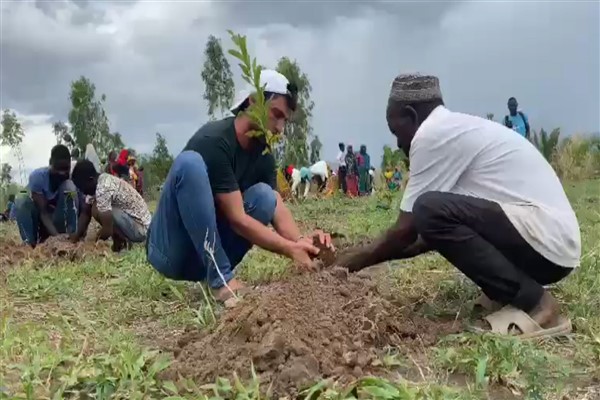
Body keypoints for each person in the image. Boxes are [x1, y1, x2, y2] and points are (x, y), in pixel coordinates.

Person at [336, 74, 579, 338]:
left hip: (547, 241)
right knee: (429, 214)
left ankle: (537, 305)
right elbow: (424, 236)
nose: (398, 143)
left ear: (411, 115)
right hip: (549, 244)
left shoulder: (432, 134)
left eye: (396, 131)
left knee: (427, 209)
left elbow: (406, 230)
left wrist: (345, 266)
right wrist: (360, 256)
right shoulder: (453, 130)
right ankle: (509, 293)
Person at [146, 69, 332, 303]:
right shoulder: (215, 141)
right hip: (170, 251)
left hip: (199, 260)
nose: (280, 128)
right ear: (253, 102)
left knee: (265, 196)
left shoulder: (263, 154)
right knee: (190, 164)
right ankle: (221, 280)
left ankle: (215, 273)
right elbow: (237, 218)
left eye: (285, 120)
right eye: (276, 115)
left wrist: (301, 242)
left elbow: (276, 205)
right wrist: (288, 249)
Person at [70, 160, 151, 252]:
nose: (83, 192)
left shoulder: (103, 188)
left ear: (91, 179)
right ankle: (120, 241)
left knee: (97, 209)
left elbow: (107, 230)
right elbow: (85, 213)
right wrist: (74, 238)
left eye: (82, 188)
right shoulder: (100, 181)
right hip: (135, 223)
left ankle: (122, 242)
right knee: (95, 207)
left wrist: (91, 244)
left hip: (140, 229)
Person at [15, 145, 80, 246]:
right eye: (58, 168)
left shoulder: (73, 178)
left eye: (65, 168)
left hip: (60, 223)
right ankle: (29, 242)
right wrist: (56, 238)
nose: (62, 173)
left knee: (70, 188)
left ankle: (70, 237)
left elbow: (78, 208)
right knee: (20, 197)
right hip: (43, 223)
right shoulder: (37, 177)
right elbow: (43, 213)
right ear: (50, 163)